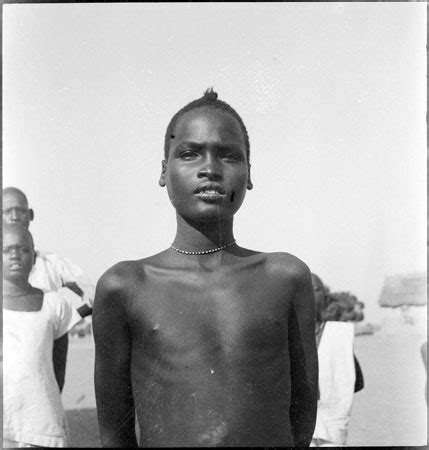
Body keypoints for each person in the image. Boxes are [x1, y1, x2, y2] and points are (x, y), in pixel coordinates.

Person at [93, 88, 318, 447]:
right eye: (190, 153)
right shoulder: (125, 286)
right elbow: (115, 431)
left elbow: (303, 409)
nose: (210, 169)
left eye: (228, 155)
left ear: (248, 174)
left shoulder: (285, 277)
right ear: (164, 171)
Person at [3, 187, 94, 389]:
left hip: (45, 361)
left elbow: (92, 294)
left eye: (20, 210)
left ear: (31, 215)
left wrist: (69, 319)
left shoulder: (50, 264)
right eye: (7, 211)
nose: (14, 216)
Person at [2, 225, 82, 448]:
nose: (15, 255)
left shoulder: (53, 304)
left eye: (23, 249)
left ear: (35, 257)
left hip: (41, 424)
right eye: (6, 249)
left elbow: (58, 368)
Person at [310, 274, 361, 447]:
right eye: (305, 289)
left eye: (316, 289)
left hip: (332, 420)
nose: (310, 293)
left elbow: (357, 381)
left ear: (325, 297)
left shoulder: (339, 334)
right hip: (299, 421)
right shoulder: (288, 335)